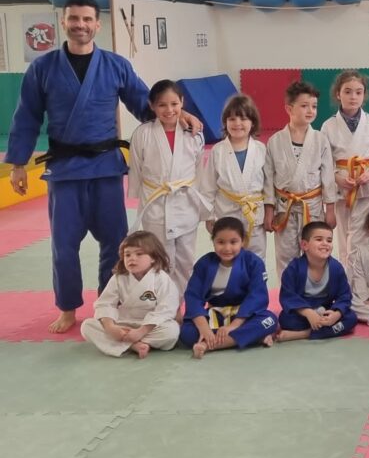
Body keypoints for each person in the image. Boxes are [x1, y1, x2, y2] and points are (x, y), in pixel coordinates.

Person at [6, 0, 201, 333]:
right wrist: (18, 163)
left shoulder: (115, 65)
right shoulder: (43, 68)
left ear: (97, 24)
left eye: (87, 19)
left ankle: (108, 304)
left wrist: (177, 113)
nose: (80, 25)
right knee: (64, 245)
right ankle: (68, 307)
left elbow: (146, 103)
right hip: (65, 170)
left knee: (116, 245)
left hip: (105, 168)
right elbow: (27, 116)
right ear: (63, 22)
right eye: (74, 18)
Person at [128, 80, 209, 297]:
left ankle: (180, 304)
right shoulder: (142, 133)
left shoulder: (194, 133)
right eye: (162, 105)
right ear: (152, 106)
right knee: (159, 258)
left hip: (186, 203)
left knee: (185, 260)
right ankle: (163, 303)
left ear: (182, 102)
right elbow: (136, 167)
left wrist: (202, 204)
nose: (169, 110)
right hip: (156, 202)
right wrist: (137, 194)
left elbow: (198, 169)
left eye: (174, 104)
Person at [263, 81, 337, 279]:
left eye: (314, 106)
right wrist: (268, 210)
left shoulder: (320, 139)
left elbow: (328, 177)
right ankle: (288, 294)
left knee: (315, 253)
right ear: (289, 109)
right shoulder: (275, 141)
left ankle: (314, 292)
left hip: (312, 207)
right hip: (284, 208)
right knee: (285, 256)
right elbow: (268, 178)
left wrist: (330, 210)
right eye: (304, 106)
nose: (310, 110)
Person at [180, 217, 278, 358]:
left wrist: (233, 326)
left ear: (243, 241)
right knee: (187, 333)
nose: (227, 248)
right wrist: (204, 328)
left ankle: (208, 344)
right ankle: (251, 338)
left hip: (243, 316)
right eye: (221, 242)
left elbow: (257, 296)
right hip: (216, 314)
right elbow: (193, 296)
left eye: (233, 242)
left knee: (269, 320)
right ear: (213, 241)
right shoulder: (204, 264)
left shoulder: (253, 262)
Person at [322, 70, 369, 266]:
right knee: (343, 235)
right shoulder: (328, 126)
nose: (353, 97)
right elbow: (324, 162)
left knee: (360, 233)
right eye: (348, 91)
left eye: (359, 92)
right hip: (341, 187)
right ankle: (347, 274)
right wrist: (337, 178)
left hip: (365, 186)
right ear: (338, 94)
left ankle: (357, 274)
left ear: (364, 95)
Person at [80, 231, 180, 358]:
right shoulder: (119, 278)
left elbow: (166, 308)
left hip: (150, 326)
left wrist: (141, 331)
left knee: (171, 331)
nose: (132, 258)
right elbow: (105, 304)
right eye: (127, 254)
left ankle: (126, 343)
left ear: (153, 257)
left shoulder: (161, 279)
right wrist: (111, 328)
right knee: (87, 326)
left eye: (139, 254)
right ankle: (133, 345)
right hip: (123, 322)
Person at [198, 94, 267, 260]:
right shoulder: (218, 150)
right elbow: (208, 186)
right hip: (226, 214)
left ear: (252, 122)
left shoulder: (261, 149)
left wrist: (272, 211)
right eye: (232, 119)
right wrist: (209, 216)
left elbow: (268, 185)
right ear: (225, 122)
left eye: (243, 118)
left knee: (256, 259)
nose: (237, 123)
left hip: (254, 215)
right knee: (228, 257)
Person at [277, 222, 357, 341]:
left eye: (329, 240)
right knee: (286, 319)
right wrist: (308, 312)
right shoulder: (294, 269)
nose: (325, 243)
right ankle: (322, 331)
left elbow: (344, 296)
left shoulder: (336, 268)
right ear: (305, 245)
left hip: (325, 311)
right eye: (319, 239)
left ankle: (304, 334)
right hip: (303, 313)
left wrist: (336, 314)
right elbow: (288, 296)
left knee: (351, 318)